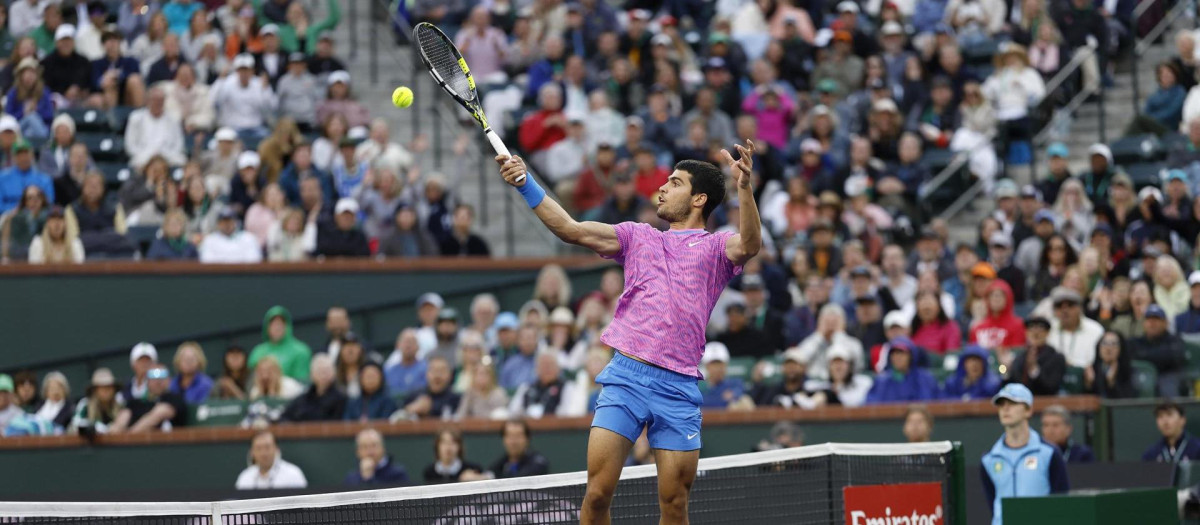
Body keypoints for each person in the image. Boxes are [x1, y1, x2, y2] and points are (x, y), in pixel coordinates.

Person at [497, 135, 761, 520]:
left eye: (674, 183)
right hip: (625, 378)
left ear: (699, 199)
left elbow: (750, 244)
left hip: (679, 386)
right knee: (598, 493)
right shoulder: (638, 236)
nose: (661, 187)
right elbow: (571, 229)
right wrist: (526, 184)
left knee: (674, 502)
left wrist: (745, 188)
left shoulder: (717, 248)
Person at [981, 384, 1070, 525]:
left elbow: (1062, 501)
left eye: (1013, 403)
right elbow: (993, 503)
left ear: (1028, 410)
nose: (1005, 408)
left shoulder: (1049, 453)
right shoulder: (989, 459)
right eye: (1001, 404)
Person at [109, 365, 186, 433]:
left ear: (169, 380)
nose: (158, 381)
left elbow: (159, 414)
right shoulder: (135, 403)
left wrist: (130, 435)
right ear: (147, 381)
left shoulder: (174, 399)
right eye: (153, 377)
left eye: (162, 376)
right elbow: (122, 420)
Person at [1133, 304, 1189, 396]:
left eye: (1156, 319)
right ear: (1144, 323)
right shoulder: (1137, 342)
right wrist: (1160, 355)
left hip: (1169, 378)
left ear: (1165, 323)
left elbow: (1175, 357)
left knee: (1169, 385)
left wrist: (1145, 355)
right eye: (1149, 319)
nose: (1152, 323)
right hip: (1142, 378)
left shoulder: (1175, 340)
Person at [248, 305, 313, 382]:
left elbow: (302, 384)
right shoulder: (257, 352)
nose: (277, 328)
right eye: (273, 324)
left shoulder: (301, 351)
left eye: (280, 324)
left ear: (287, 327)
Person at [1005, 317, 1067, 396]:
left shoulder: (1057, 358)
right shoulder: (1019, 358)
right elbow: (1012, 384)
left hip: (1045, 404)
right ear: (1026, 333)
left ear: (1047, 333)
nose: (1035, 333)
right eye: (1031, 329)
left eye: (1040, 329)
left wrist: (1034, 370)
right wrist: (1005, 369)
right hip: (1019, 403)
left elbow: (1051, 387)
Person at [866, 337, 939, 403]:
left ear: (911, 356)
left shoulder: (925, 379)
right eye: (894, 354)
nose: (897, 357)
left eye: (902, 353)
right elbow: (871, 406)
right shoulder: (881, 382)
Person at [1047, 287, 1104, 368]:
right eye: (1059, 306)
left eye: (1070, 305)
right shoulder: (1048, 329)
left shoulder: (1096, 330)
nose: (1065, 310)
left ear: (1080, 308)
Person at [280, 354, 346, 422]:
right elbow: (284, 418)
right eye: (319, 371)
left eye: (327, 371)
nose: (323, 375)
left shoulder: (342, 398)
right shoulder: (303, 399)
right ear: (312, 374)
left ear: (334, 373)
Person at [235, 431, 308, 489]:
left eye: (267, 447)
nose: (263, 453)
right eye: (258, 448)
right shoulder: (245, 477)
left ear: (276, 449)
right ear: (252, 452)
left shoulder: (293, 474)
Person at [481, 419, 550, 480]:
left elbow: (519, 480)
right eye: (509, 436)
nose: (513, 441)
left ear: (527, 439)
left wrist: (491, 478)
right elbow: (489, 472)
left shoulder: (538, 462)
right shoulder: (502, 462)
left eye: (518, 436)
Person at [400, 356, 460, 420]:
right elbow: (396, 418)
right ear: (427, 374)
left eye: (442, 371)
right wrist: (411, 409)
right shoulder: (414, 396)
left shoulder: (457, 399)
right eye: (434, 370)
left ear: (450, 375)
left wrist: (431, 408)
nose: (437, 375)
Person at [344, 428, 408, 486]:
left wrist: (369, 479)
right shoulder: (351, 479)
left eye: (374, 445)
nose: (370, 451)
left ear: (383, 448)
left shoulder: (397, 474)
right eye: (364, 447)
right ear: (358, 452)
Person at [69, 368, 123, 435]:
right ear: (95, 390)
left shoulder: (120, 405)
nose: (107, 390)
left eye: (109, 387)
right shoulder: (85, 404)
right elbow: (76, 424)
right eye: (102, 387)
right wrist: (99, 428)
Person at [1086, 331, 1138, 399]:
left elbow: (1128, 402)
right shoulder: (1092, 369)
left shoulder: (1129, 370)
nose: (1108, 348)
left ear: (1121, 348)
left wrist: (1111, 383)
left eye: (1114, 344)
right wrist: (1089, 384)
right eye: (1104, 343)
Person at [198, 208, 263, 263]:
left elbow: (254, 262)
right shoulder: (210, 240)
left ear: (236, 222)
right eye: (224, 221)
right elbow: (207, 263)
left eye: (230, 221)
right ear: (218, 224)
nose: (227, 224)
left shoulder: (248, 238)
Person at [698, 342, 748, 410]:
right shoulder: (699, 387)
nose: (717, 368)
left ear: (725, 365)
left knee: (744, 401)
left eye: (720, 364)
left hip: (730, 420)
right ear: (706, 366)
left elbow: (741, 392)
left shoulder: (735, 384)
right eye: (713, 364)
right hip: (704, 420)